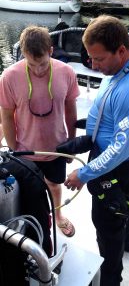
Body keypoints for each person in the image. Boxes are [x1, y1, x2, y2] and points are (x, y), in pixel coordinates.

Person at [62, 15, 129, 285]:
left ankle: (111, 279)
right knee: (128, 206)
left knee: (108, 223)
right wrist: (88, 134)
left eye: (99, 59)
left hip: (120, 167)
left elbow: (119, 149)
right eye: (90, 58)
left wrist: (84, 173)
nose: (93, 66)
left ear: (121, 50)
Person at [0, 25, 80, 237]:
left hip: (57, 147)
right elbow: (6, 115)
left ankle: (58, 216)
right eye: (31, 63)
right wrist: (14, 147)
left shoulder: (67, 72)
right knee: (30, 191)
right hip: (25, 150)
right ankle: (36, 220)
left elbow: (71, 110)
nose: (37, 70)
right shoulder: (9, 76)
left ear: (51, 51)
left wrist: (72, 144)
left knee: (54, 185)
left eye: (43, 64)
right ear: (24, 55)